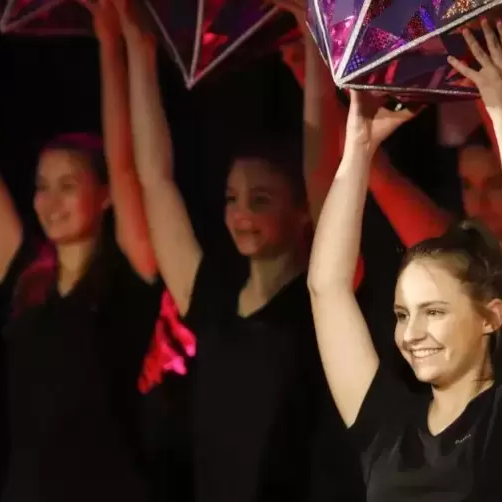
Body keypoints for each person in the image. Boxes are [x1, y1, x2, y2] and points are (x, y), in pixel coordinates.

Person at [308, 19, 502, 502]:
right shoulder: (386, 428)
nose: (411, 334)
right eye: (403, 314)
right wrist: (358, 149)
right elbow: (326, 289)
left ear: (492, 316)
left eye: (434, 312)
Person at [114, 1, 362, 501]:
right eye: (232, 199)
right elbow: (155, 180)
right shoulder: (211, 298)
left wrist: (313, 36)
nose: (241, 213)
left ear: (302, 214)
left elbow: (323, 170)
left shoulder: (321, 299)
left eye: (261, 200)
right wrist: (139, 49)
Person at [0, 0, 166, 500]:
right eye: (42, 186)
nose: (50, 201)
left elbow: (125, 164)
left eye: (68, 184)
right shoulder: (27, 275)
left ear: (104, 195)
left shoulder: (128, 271)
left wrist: (111, 44)